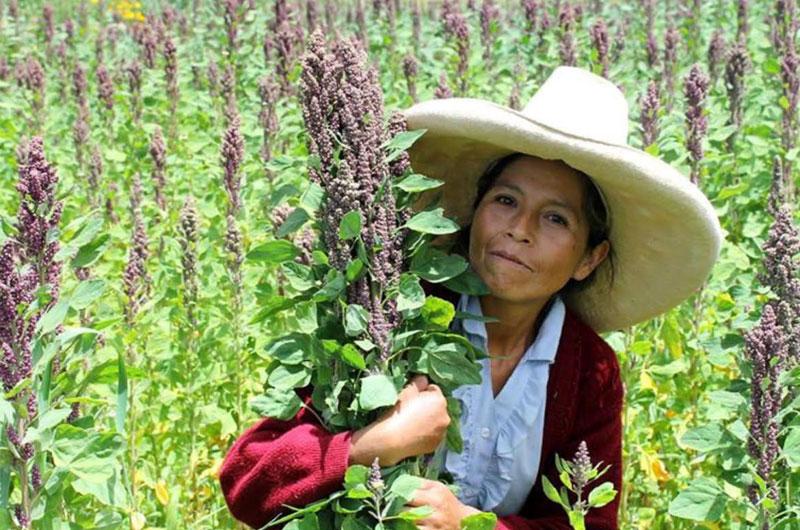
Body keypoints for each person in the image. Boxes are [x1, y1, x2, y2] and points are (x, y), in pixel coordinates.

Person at [218, 66, 723, 529]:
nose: (519, 230)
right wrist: (370, 446)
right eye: (505, 200)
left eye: (555, 218)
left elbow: (586, 523)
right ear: (473, 213)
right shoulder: (391, 316)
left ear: (590, 257)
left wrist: (469, 524)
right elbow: (246, 479)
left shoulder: (588, 369)